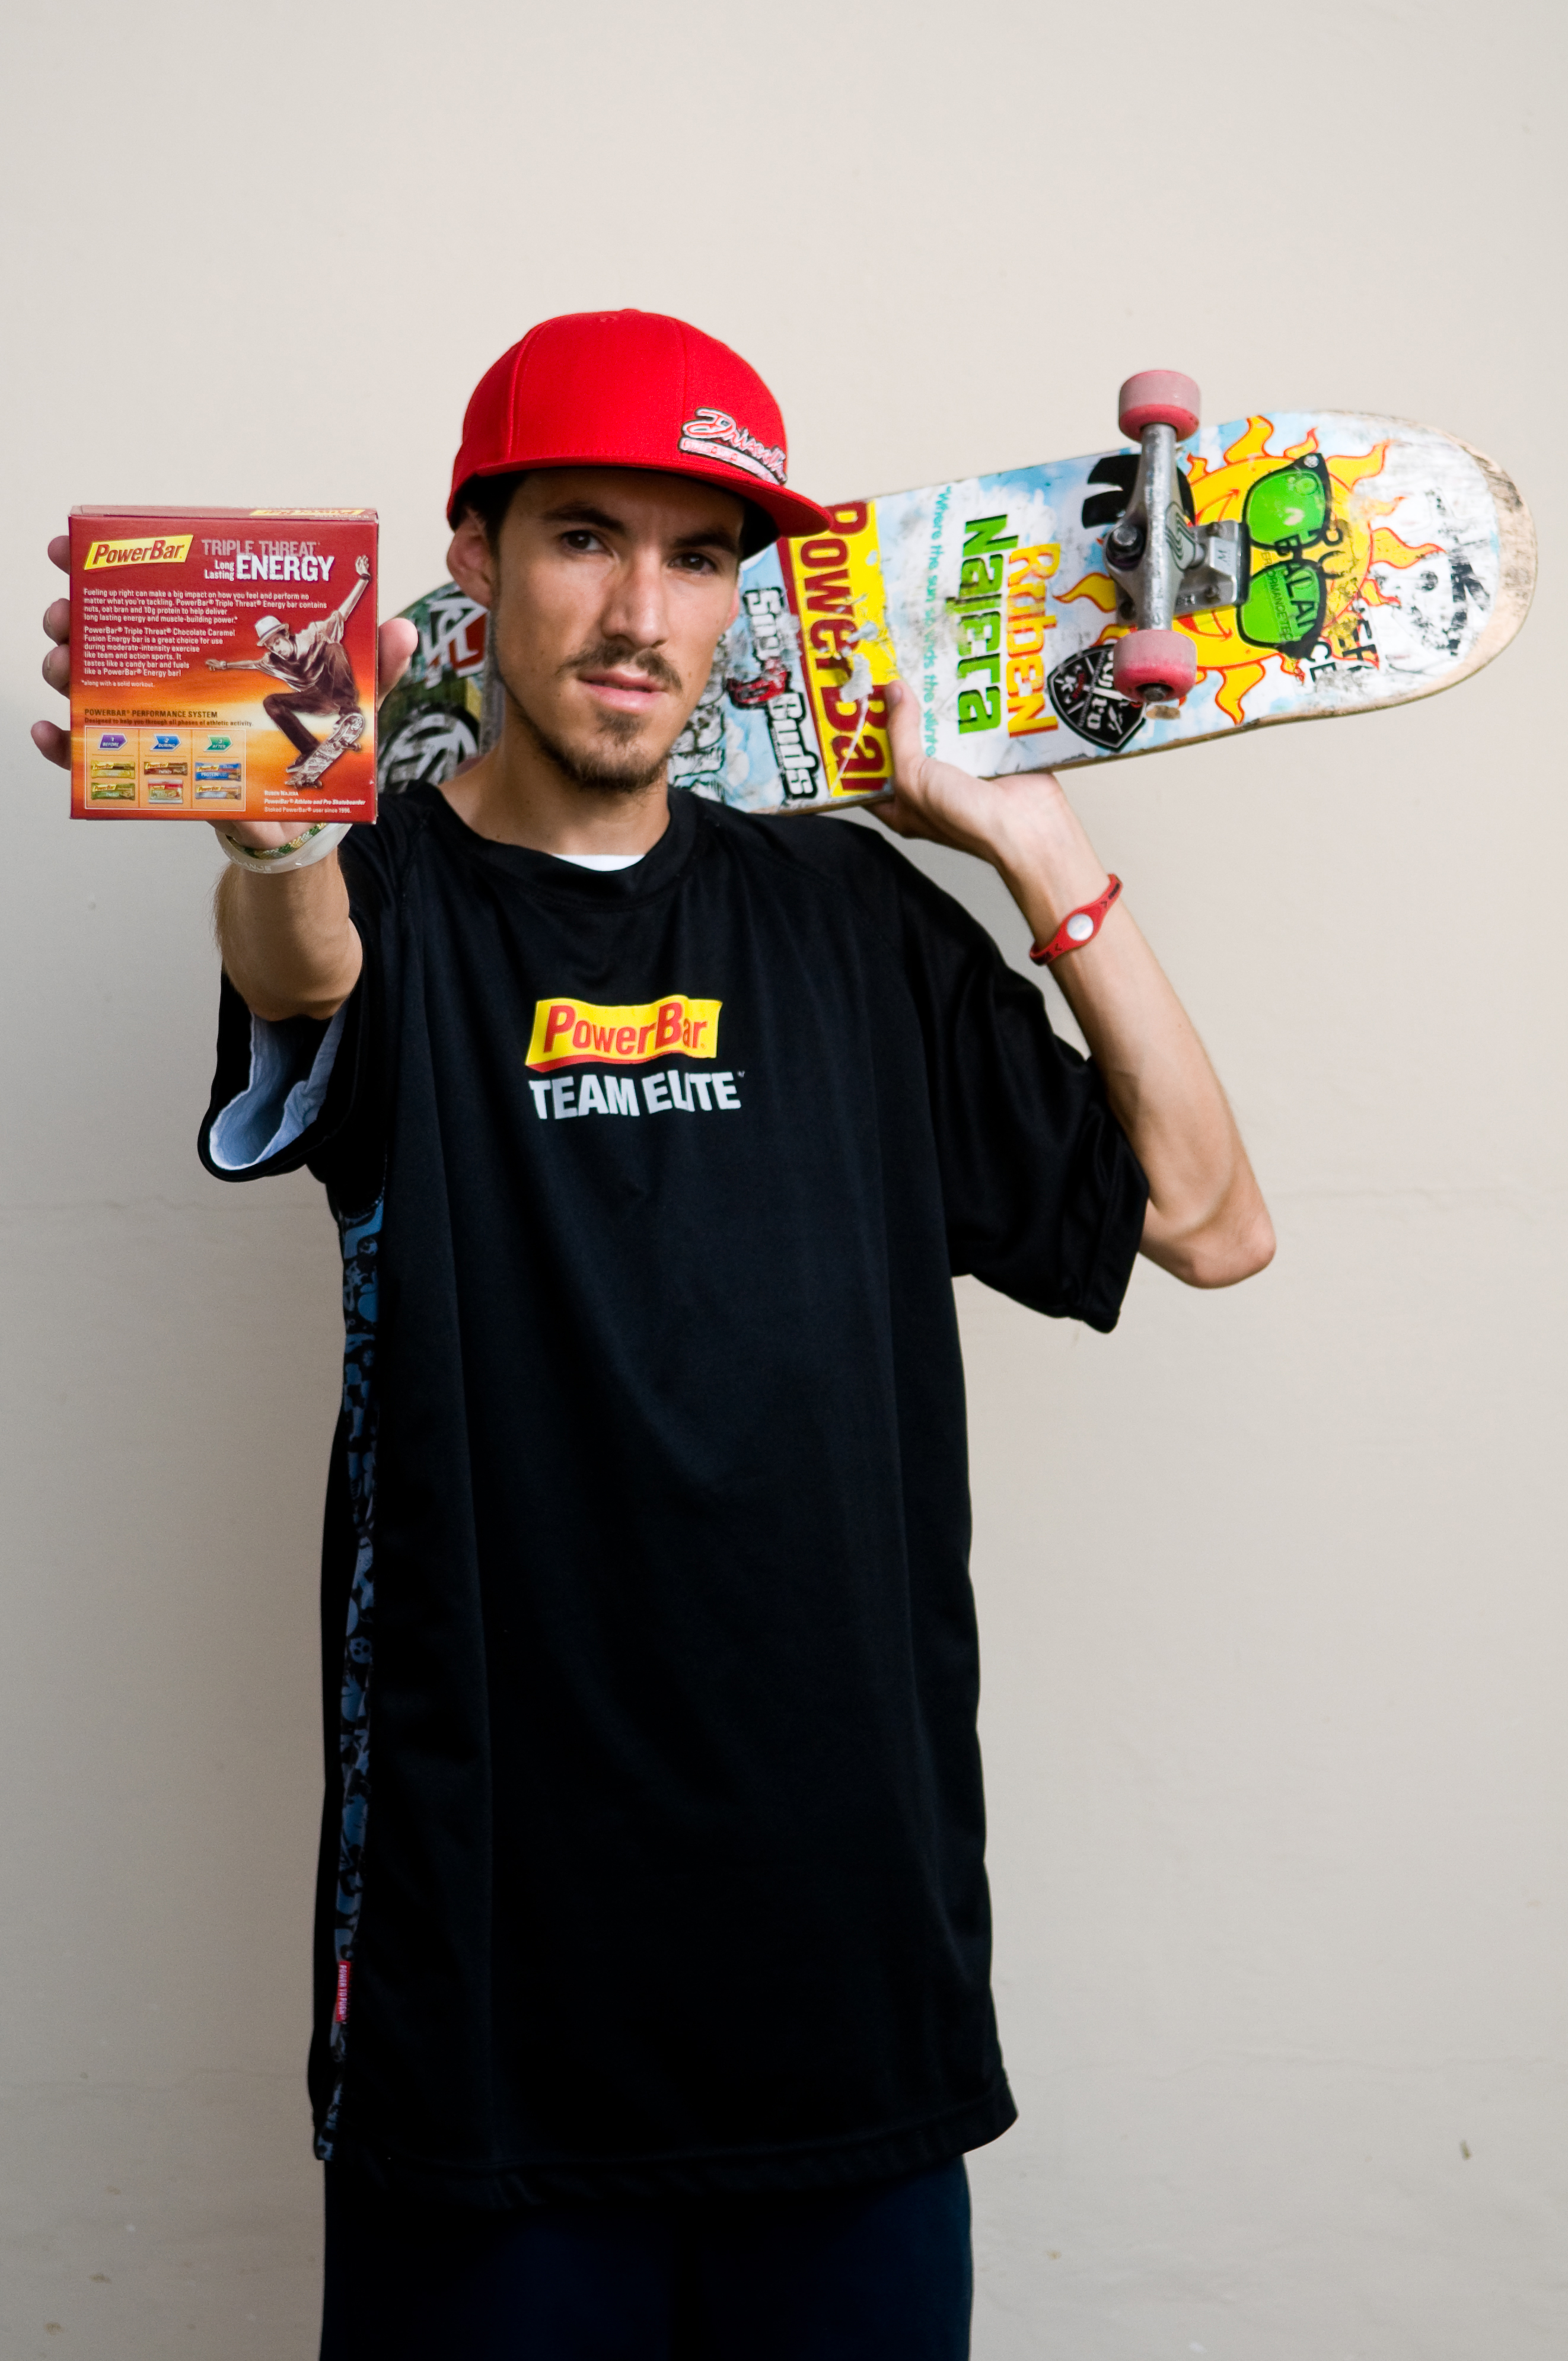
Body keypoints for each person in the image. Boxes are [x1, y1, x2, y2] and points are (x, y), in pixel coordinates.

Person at [34, 308, 1274, 2360]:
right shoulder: (393, 899)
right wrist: (259, 841)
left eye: (696, 556)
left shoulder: (855, 928)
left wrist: (1036, 845)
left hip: (847, 1987)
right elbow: (303, 963)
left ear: (745, 600)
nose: (637, 611)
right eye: (583, 539)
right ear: (479, 561)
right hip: (487, 2005)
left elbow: (1208, 1224)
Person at [203, 553, 372, 785]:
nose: (277, 649)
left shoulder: (315, 633)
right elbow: (250, 665)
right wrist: (224, 665)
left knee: (334, 648)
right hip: (314, 699)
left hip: (334, 687)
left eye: (278, 642)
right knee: (271, 701)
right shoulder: (272, 662)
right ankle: (310, 749)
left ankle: (349, 711)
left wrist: (363, 578)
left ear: (286, 634)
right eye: (271, 646)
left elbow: (343, 612)